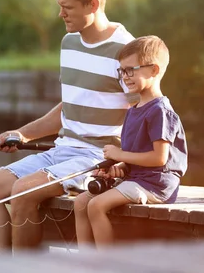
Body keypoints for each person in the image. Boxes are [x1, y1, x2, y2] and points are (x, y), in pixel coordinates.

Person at [0, 0, 138, 255]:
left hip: (98, 158)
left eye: (67, 7)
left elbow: (143, 114)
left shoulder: (127, 51)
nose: (61, 14)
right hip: (63, 150)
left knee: (23, 191)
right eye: (59, 6)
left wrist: (125, 164)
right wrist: (22, 134)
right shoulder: (70, 42)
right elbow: (69, 107)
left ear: (93, 5)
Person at [73, 35, 188, 248]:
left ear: (153, 70)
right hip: (137, 178)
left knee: (96, 206)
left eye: (130, 70)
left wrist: (119, 154)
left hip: (156, 184)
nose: (125, 76)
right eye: (121, 71)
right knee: (81, 202)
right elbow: (136, 155)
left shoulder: (159, 111)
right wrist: (120, 167)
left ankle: (105, 267)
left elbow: (159, 158)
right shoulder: (134, 110)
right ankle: (86, 264)